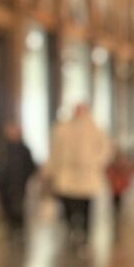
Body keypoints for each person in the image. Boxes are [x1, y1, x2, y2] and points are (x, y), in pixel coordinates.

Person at [47, 103, 111, 248]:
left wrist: (95, 162)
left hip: (86, 175)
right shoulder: (63, 129)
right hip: (67, 174)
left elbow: (105, 149)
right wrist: (52, 169)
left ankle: (84, 233)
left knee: (85, 206)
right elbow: (55, 150)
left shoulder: (95, 129)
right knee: (68, 203)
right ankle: (71, 228)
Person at [0, 122, 36, 232]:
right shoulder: (3, 149)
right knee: (8, 206)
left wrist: (24, 177)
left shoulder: (24, 150)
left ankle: (19, 227)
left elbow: (30, 166)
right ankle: (12, 226)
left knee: (18, 206)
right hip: (5, 184)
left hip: (19, 183)